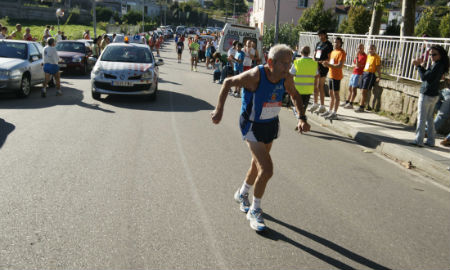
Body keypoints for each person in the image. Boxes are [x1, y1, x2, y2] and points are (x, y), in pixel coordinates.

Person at [210, 44, 311, 232]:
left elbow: (296, 95)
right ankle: (255, 210)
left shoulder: (286, 77)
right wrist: (219, 110)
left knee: (256, 166)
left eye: (290, 63)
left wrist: (302, 118)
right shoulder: (255, 75)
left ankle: (242, 193)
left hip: (270, 124)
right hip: (252, 126)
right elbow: (228, 82)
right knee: (267, 169)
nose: (288, 68)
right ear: (271, 62)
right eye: (284, 63)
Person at [411, 45, 450, 147]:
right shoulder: (438, 64)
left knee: (422, 118)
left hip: (427, 94)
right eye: (430, 54)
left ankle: (418, 140)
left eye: (434, 54)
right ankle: (431, 141)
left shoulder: (437, 65)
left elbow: (425, 78)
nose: (431, 56)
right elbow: (428, 76)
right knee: (429, 119)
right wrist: (421, 66)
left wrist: (418, 66)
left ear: (440, 55)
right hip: (432, 94)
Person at [289, 46, 318, 123]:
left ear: (300, 53)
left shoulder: (297, 62)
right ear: (309, 53)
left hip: (297, 89)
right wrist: (315, 87)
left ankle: (299, 118)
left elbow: (291, 75)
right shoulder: (314, 63)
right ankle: (301, 122)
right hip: (308, 90)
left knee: (296, 106)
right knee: (303, 108)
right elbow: (317, 75)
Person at [321, 37, 346, 120]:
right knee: (331, 94)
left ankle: (335, 113)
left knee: (336, 95)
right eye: (335, 42)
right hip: (331, 75)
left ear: (341, 43)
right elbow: (331, 63)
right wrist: (325, 63)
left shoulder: (342, 53)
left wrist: (328, 65)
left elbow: (339, 66)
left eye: (338, 42)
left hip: (337, 76)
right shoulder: (333, 52)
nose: (336, 44)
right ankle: (330, 110)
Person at [309, 29, 333, 114]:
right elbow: (315, 54)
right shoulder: (318, 44)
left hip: (323, 67)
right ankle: (315, 103)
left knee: (320, 86)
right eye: (319, 35)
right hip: (316, 66)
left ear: (325, 34)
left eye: (321, 35)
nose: (320, 37)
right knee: (315, 86)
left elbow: (329, 57)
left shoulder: (329, 45)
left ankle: (322, 105)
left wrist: (324, 62)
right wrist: (313, 60)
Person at [355, 44, 381, 112]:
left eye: (372, 49)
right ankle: (363, 104)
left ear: (375, 50)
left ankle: (361, 106)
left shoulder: (376, 57)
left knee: (364, 90)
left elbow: (378, 67)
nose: (370, 50)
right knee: (361, 90)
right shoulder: (368, 56)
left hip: (370, 74)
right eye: (369, 49)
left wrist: (379, 76)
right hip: (364, 73)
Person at [342, 44, 366, 109]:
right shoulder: (358, 55)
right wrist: (356, 64)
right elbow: (353, 64)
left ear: (363, 48)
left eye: (360, 48)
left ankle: (351, 103)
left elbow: (358, 65)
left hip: (358, 74)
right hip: (354, 72)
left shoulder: (364, 56)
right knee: (350, 88)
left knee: (353, 89)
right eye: (358, 48)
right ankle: (347, 101)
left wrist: (356, 61)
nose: (359, 49)